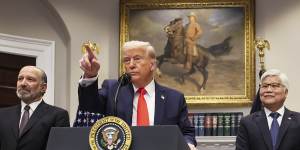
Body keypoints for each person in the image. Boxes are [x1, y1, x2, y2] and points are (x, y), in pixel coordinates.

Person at [75, 40, 197, 149]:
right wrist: (90, 76)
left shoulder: (174, 98)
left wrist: (189, 145)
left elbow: (187, 132)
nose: (131, 65)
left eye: (137, 58)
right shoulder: (113, 89)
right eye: (127, 60)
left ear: (152, 65)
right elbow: (89, 105)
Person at [0, 66, 70, 150]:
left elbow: (60, 147)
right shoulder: (2, 114)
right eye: (20, 78)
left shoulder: (58, 115)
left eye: (30, 79)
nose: (23, 83)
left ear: (43, 88)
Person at [236, 69, 300, 150]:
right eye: (265, 86)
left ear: (286, 92)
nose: (268, 90)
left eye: (274, 85)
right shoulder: (247, 122)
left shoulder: (298, 120)